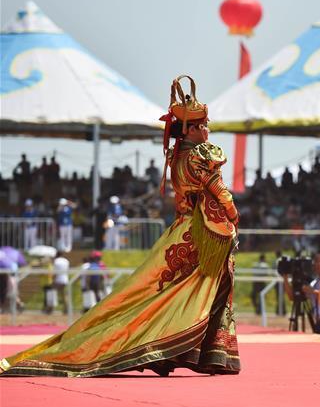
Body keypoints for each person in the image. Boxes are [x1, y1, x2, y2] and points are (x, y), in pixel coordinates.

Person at [2, 75, 241, 377]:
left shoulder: (177, 156)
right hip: (201, 234)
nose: (207, 130)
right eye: (203, 125)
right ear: (192, 128)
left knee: (161, 292)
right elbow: (218, 190)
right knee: (190, 291)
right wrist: (232, 212)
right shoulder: (199, 156)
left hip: (183, 230)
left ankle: (183, 351)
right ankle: (187, 351)